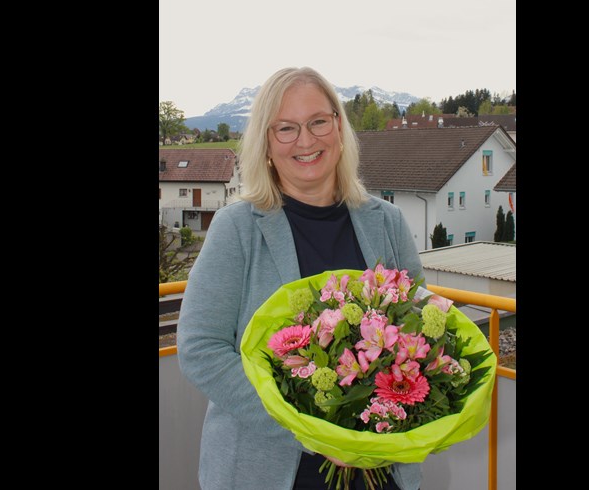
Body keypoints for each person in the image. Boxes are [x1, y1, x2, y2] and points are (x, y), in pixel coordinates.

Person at [177, 66, 424, 490]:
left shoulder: (388, 222)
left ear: (339, 127)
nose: (306, 141)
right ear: (267, 144)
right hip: (265, 470)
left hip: (380, 471)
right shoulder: (236, 228)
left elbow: (419, 334)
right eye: (286, 128)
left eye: (317, 122)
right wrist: (308, 427)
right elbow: (200, 349)